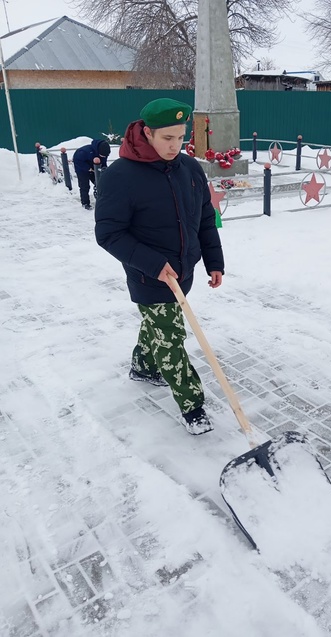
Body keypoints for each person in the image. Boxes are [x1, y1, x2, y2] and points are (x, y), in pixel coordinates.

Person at [94, 98, 224, 435]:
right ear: (147, 132)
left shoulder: (190, 168)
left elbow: (205, 219)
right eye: (167, 138)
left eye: (180, 137)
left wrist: (214, 261)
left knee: (159, 326)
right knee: (171, 338)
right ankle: (192, 407)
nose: (175, 146)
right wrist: (155, 265)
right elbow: (109, 234)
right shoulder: (119, 176)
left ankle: (142, 365)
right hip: (148, 276)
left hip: (185, 271)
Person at [73, 139, 111, 210]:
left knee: (101, 183)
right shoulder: (84, 152)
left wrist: (104, 169)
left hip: (95, 168)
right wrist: (88, 168)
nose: (103, 157)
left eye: (104, 156)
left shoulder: (104, 152)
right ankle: (85, 203)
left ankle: (103, 200)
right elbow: (77, 160)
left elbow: (103, 163)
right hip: (82, 169)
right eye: (102, 155)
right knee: (84, 186)